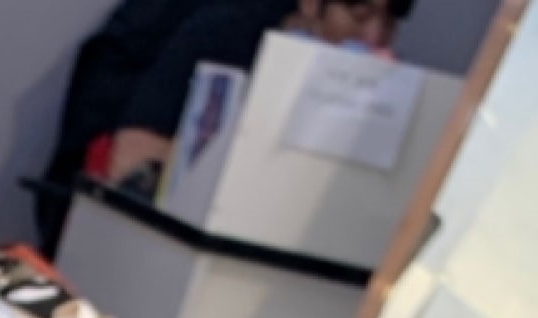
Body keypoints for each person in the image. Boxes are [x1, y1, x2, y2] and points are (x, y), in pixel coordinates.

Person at [38, 0, 415, 250]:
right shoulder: (227, 33)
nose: (374, 37)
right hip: (151, 237)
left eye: (390, 23)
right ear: (311, 3)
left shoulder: (386, 90)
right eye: (360, 15)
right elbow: (131, 155)